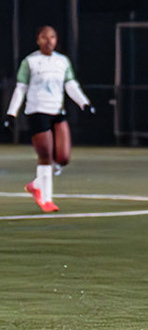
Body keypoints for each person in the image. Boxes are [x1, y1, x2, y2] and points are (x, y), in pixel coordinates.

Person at [5, 25, 94, 212]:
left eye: (52, 36)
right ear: (38, 40)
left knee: (63, 157)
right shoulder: (30, 61)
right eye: (44, 37)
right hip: (37, 111)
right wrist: (11, 113)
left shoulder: (62, 61)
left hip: (57, 111)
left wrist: (84, 103)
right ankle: (46, 199)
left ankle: (37, 184)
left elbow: (70, 84)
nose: (49, 40)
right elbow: (21, 88)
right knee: (45, 156)